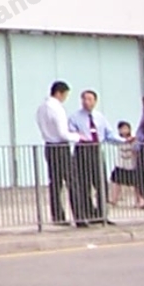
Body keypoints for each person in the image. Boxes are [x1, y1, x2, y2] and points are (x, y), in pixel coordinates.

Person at [36, 80, 84, 225]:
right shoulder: (57, 108)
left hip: (49, 145)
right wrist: (78, 137)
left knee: (55, 183)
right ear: (59, 93)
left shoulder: (41, 108)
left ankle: (58, 215)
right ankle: (79, 216)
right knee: (72, 181)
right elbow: (63, 133)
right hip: (61, 146)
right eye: (65, 95)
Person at [69, 88, 111, 222]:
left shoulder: (100, 117)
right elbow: (72, 132)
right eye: (84, 99)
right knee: (84, 183)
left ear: (95, 101)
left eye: (89, 99)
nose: (86, 102)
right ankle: (88, 213)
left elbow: (108, 134)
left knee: (101, 182)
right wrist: (79, 136)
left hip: (96, 149)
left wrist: (124, 140)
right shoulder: (74, 117)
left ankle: (102, 214)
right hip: (82, 150)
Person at [110, 121, 139, 206]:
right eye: (122, 128)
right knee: (115, 181)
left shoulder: (134, 139)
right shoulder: (118, 140)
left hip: (131, 165)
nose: (124, 130)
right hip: (120, 164)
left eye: (126, 128)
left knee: (136, 183)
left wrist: (132, 140)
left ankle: (138, 201)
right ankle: (114, 199)